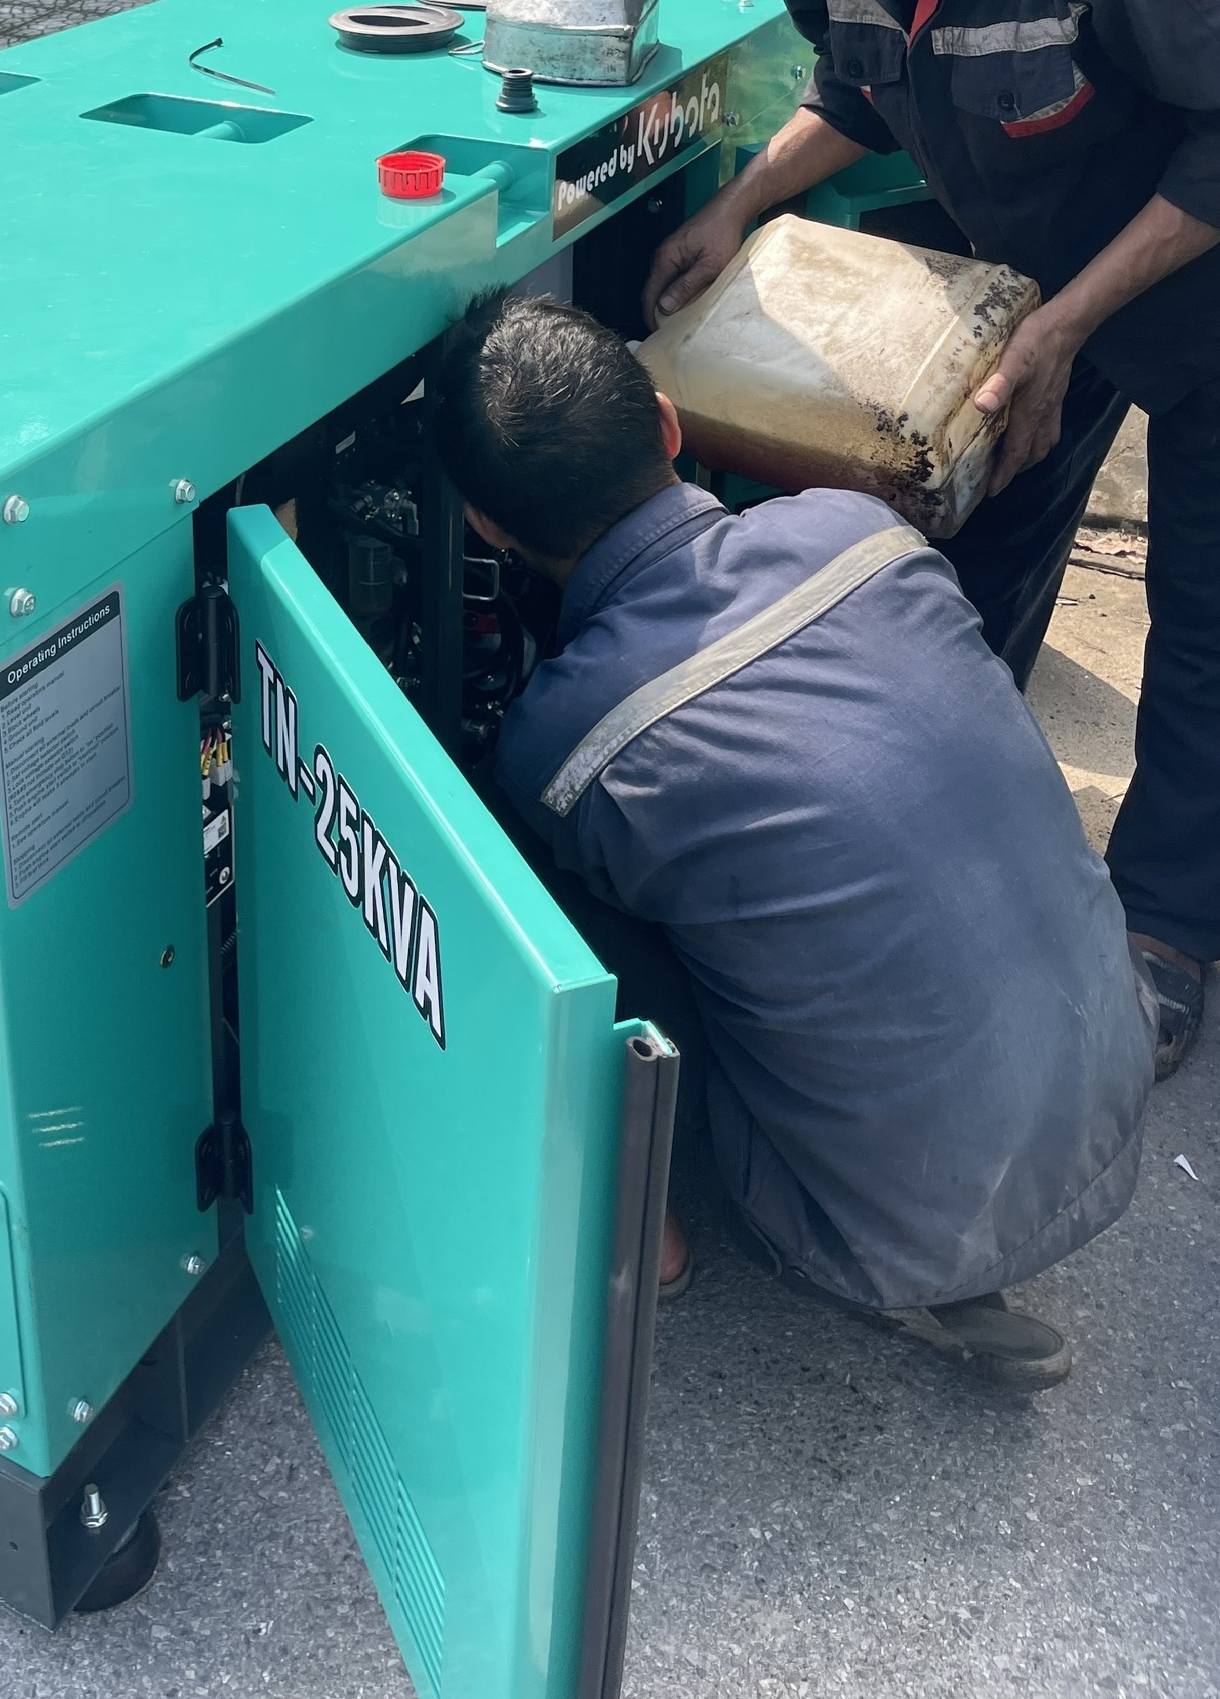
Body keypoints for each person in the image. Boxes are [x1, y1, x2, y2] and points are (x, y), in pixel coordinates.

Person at [630, 0, 1220, 1079]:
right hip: (1044, 228)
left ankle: (1168, 922)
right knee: (970, 516)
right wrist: (739, 204)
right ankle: (948, 822)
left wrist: (1069, 322)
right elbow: (856, 88)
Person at [429, 291, 1155, 1392]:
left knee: (523, 879)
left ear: (487, 528)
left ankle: (647, 1229)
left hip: (882, 1232)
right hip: (1116, 1083)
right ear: (667, 424)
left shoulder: (567, 741)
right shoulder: (863, 532)